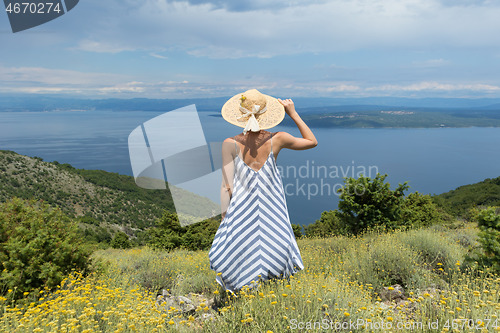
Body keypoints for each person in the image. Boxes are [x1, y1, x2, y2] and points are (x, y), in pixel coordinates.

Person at [208, 89, 318, 294]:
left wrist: (225, 217)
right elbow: (312, 141)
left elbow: (226, 186)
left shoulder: (229, 144)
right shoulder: (278, 138)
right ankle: (272, 293)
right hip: (272, 207)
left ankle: (244, 293)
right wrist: (293, 113)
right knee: (275, 245)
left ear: (240, 115)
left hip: (242, 208)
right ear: (266, 115)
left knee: (241, 250)